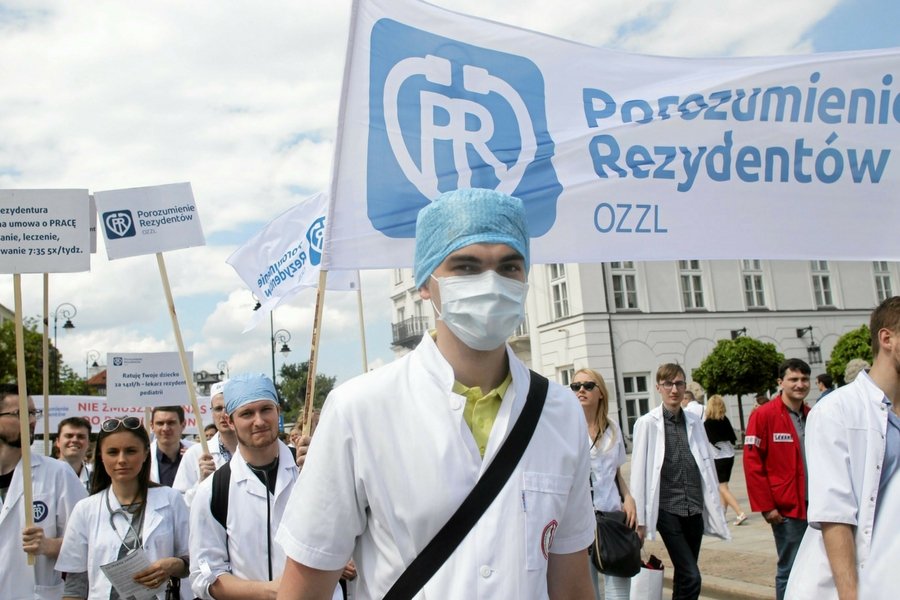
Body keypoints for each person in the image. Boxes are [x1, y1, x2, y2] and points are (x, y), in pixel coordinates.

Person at [275, 188, 595, 599]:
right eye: (466, 266)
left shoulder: (560, 411)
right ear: (426, 282)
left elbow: (571, 585)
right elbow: (304, 589)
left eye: (509, 267)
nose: (491, 284)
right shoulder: (359, 410)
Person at [785, 297, 900, 599]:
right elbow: (835, 515)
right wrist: (852, 595)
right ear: (887, 339)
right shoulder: (836, 410)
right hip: (856, 579)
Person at [189, 374, 342, 600]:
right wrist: (272, 591)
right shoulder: (213, 491)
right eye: (247, 413)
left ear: (278, 412)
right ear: (230, 422)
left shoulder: (313, 471)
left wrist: (326, 466)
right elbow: (205, 576)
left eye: (266, 409)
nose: (259, 421)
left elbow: (349, 536)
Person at [57, 416, 190, 599]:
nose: (122, 460)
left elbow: (194, 560)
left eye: (130, 451)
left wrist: (175, 565)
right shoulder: (85, 509)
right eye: (112, 452)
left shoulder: (171, 500)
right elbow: (75, 587)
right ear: (101, 457)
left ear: (145, 453)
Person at [630, 364, 729, 600]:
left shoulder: (694, 421)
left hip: (693, 506)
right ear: (659, 388)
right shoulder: (647, 423)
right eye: (668, 384)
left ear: (685, 387)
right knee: (692, 575)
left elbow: (706, 462)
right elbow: (639, 472)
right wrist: (640, 521)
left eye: (679, 384)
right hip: (667, 508)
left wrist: (714, 502)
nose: (674, 390)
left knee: (685, 575)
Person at [0, 383, 88, 600]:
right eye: (20, 413)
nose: (31, 420)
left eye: (33, 413)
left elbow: (89, 540)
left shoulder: (58, 473)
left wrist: (50, 546)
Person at [743, 358, 811, 600]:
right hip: (785, 508)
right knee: (789, 568)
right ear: (780, 382)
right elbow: (752, 463)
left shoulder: (812, 415)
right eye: (793, 379)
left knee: (814, 567)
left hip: (813, 505)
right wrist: (767, 506)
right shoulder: (763, 415)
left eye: (804, 379)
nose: (799, 384)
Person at [574, 368, 636, 600]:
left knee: (619, 593)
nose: (581, 390)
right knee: (588, 593)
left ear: (600, 393)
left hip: (611, 518)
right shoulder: (566, 428)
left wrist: (628, 498)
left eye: (588, 385)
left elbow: (616, 474)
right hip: (579, 522)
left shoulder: (613, 429)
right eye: (576, 386)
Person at [174, 382, 237, 507]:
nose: (224, 414)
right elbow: (179, 505)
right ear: (212, 413)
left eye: (230, 407)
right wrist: (201, 482)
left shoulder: (254, 451)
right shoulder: (194, 453)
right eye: (218, 409)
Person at [702, 395, 748, 525]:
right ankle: (722, 514)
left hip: (718, 458)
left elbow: (707, 441)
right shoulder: (725, 420)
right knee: (724, 486)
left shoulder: (707, 423)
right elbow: (733, 438)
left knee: (721, 487)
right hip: (729, 456)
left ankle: (740, 513)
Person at [150, 405, 194, 487]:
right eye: (160, 423)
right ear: (152, 426)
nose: (165, 428)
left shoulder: (197, 453)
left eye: (171, 423)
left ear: (183, 425)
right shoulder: (144, 457)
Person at [56, 416, 93, 491]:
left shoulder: (97, 481)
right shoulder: (42, 477)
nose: (75, 440)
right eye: (69, 436)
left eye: (81, 436)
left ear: (88, 443)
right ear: (58, 442)